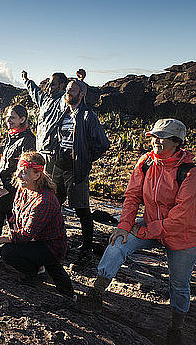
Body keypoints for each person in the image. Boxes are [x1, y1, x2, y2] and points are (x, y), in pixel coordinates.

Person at [79, 118, 196, 345]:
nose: (155, 141)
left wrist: (146, 232)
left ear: (177, 142)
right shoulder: (146, 162)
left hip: (182, 236)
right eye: (154, 136)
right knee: (117, 245)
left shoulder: (190, 174)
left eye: (161, 137)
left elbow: (182, 217)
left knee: (178, 284)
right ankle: (95, 295)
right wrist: (124, 226)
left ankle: (176, 328)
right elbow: (132, 196)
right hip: (149, 226)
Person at [0, 152, 75, 300]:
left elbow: (26, 235)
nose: (19, 176)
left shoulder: (44, 200)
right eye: (19, 171)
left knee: (9, 251)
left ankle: (67, 292)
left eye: (24, 172)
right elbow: (17, 218)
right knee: (9, 252)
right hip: (35, 240)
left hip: (51, 245)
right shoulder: (23, 189)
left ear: (37, 175)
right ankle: (35, 272)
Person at [52, 78, 110, 269]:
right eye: (67, 89)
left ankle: (85, 250)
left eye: (73, 90)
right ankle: (56, 242)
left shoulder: (88, 116)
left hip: (76, 169)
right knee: (53, 204)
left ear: (82, 93)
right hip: (58, 166)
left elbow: (102, 144)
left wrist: (85, 158)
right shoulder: (63, 113)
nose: (68, 92)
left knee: (81, 209)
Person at [0, 104, 36, 266]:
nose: (8, 120)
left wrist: (9, 188)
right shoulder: (13, 136)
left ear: (23, 119)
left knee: (4, 215)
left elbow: (26, 169)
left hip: (19, 189)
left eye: (12, 117)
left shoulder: (27, 139)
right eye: (7, 117)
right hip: (10, 187)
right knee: (11, 220)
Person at [22, 70, 69, 174]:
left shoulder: (64, 101)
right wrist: (26, 80)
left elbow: (76, 97)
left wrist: (80, 81)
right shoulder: (45, 100)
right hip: (40, 150)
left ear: (62, 85)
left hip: (53, 154)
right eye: (49, 84)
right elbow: (35, 91)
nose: (49, 88)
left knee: (50, 183)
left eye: (53, 85)